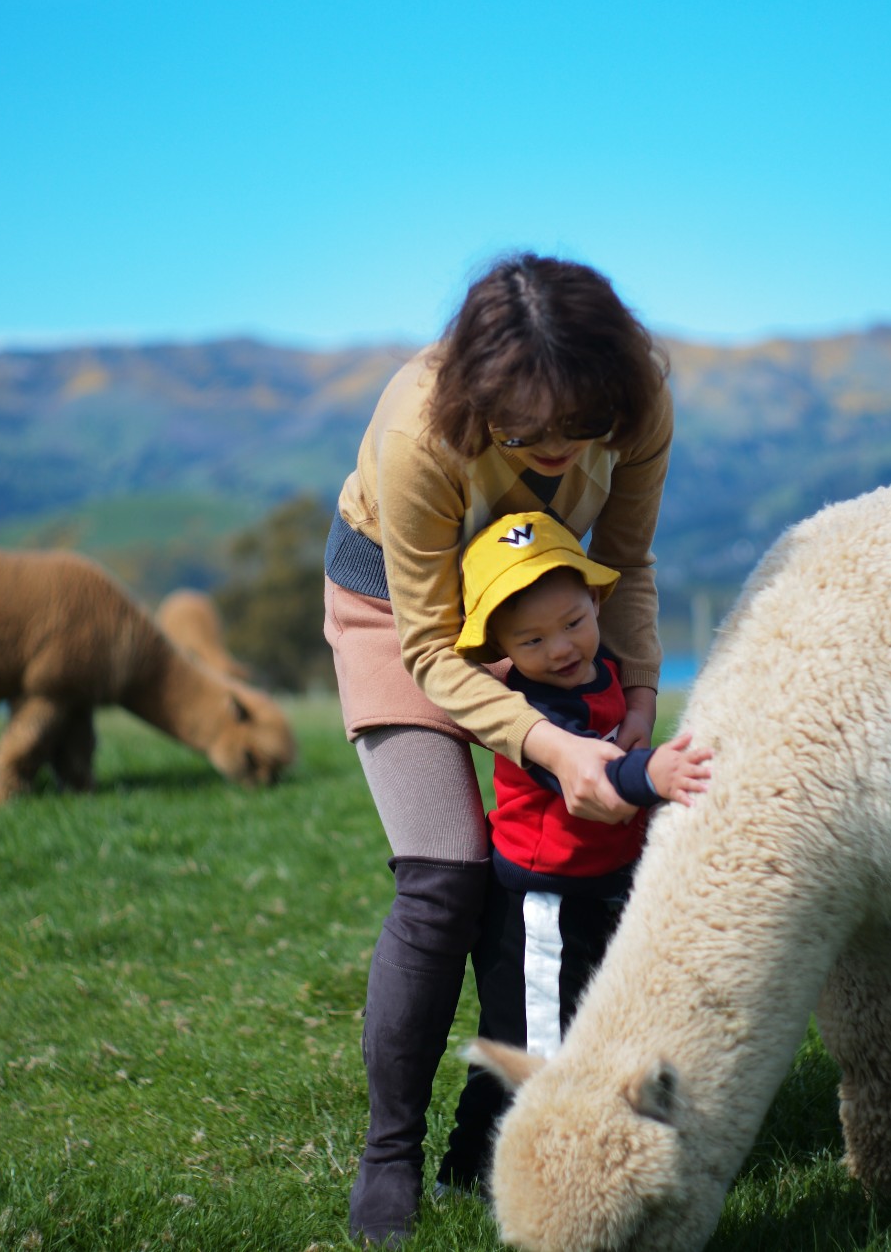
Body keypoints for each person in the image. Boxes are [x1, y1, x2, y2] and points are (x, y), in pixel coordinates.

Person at [321, 254, 682, 1244]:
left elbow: (630, 558)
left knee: (545, 883)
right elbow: (433, 648)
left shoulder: (638, 394)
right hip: (403, 610)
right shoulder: (416, 430)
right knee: (445, 876)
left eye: (580, 429)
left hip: (553, 607)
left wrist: (637, 696)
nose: (557, 450)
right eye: (525, 434)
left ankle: (499, 1130)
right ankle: (390, 1149)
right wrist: (546, 749)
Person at [431, 511, 712, 1191]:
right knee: (536, 1051)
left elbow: (620, 720)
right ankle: (491, 1174)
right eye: (530, 638)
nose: (560, 647)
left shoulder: (603, 668)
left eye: (572, 622)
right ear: (500, 648)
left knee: (601, 1026)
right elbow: (594, 775)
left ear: (596, 603)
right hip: (539, 908)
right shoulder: (536, 714)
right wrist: (656, 776)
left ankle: (561, 1154)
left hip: (599, 886)